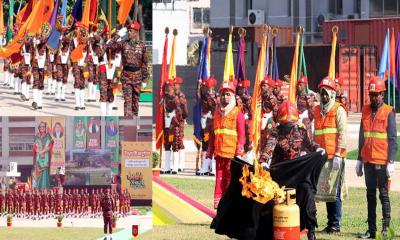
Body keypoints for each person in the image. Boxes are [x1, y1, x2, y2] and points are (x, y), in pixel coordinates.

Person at [260, 101, 325, 240]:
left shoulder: (301, 130)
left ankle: (311, 230)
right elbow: (268, 148)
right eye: (286, 124)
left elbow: (309, 144)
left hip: (298, 172)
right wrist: (263, 161)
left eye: (291, 123)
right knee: (271, 201)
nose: (289, 126)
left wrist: (317, 149)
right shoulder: (275, 132)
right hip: (280, 175)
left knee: (307, 193)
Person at [356, 76, 397, 239]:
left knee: (384, 195)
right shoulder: (365, 110)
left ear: (382, 94)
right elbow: (362, 136)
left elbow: (393, 139)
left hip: (382, 161)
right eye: (371, 94)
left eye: (376, 94)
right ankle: (371, 230)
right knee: (370, 195)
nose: (373, 97)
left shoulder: (389, 112)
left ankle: (385, 229)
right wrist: (359, 158)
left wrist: (391, 161)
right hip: (368, 161)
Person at [314, 76, 347, 234]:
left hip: (336, 158)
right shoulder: (318, 110)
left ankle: (335, 224)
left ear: (333, 94)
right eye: (322, 93)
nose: (324, 96)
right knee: (327, 191)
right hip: (322, 158)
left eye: (326, 93)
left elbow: (342, 134)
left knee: (335, 192)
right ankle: (330, 223)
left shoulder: (338, 110)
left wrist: (339, 154)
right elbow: (316, 133)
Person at [206, 80, 245, 209]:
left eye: (228, 94)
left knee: (230, 181)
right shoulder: (216, 113)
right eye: (223, 94)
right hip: (219, 154)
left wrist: (239, 153)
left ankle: (230, 208)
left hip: (232, 155)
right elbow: (213, 135)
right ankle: (219, 208)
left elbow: (242, 135)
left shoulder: (237, 113)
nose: (225, 97)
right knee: (219, 180)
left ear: (233, 96)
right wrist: (209, 154)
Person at [107, 21, 149, 117]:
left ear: (136, 33)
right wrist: (118, 35)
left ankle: (134, 122)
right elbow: (108, 45)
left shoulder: (142, 46)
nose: (129, 33)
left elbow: (144, 63)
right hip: (126, 75)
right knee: (127, 101)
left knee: (135, 102)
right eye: (128, 31)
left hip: (137, 76)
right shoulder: (123, 44)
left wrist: (145, 78)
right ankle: (128, 123)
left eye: (131, 31)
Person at [197, 76, 218, 176]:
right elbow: (200, 93)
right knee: (205, 143)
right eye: (206, 86)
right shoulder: (204, 95)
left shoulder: (217, 96)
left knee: (213, 144)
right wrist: (200, 85)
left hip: (213, 121)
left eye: (209, 86)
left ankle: (213, 168)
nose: (207, 88)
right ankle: (205, 167)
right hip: (205, 122)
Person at [32, 122, 54, 190]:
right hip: (38, 158)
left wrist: (42, 151)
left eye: (43, 127)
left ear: (45, 128)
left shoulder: (48, 136)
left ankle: (45, 188)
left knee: (44, 172)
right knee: (37, 171)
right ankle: (38, 188)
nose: (42, 128)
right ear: (39, 128)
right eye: (40, 127)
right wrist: (38, 151)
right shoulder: (36, 137)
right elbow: (34, 148)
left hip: (45, 158)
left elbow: (49, 147)